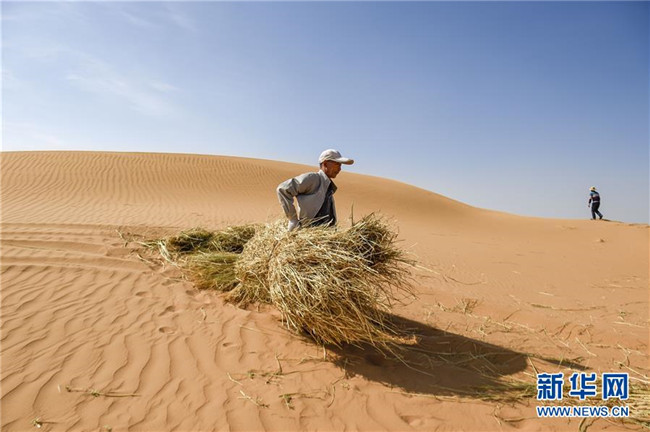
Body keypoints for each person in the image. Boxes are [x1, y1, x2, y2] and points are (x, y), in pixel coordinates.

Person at [277, 149, 354, 231]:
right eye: (337, 164)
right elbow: (283, 189)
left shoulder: (328, 186)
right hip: (309, 234)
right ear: (325, 164)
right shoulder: (313, 179)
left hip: (324, 236)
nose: (339, 169)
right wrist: (293, 220)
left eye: (340, 165)